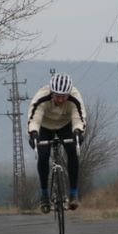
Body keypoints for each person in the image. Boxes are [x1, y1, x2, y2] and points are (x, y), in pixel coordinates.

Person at [27, 72, 86, 213]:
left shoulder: (75, 98)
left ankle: (73, 193)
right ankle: (44, 195)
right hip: (45, 126)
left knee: (73, 151)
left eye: (64, 96)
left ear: (69, 93)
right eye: (57, 96)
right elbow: (34, 119)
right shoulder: (41, 97)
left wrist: (78, 131)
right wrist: (33, 133)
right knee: (43, 155)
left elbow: (79, 118)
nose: (60, 100)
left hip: (65, 124)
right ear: (51, 93)